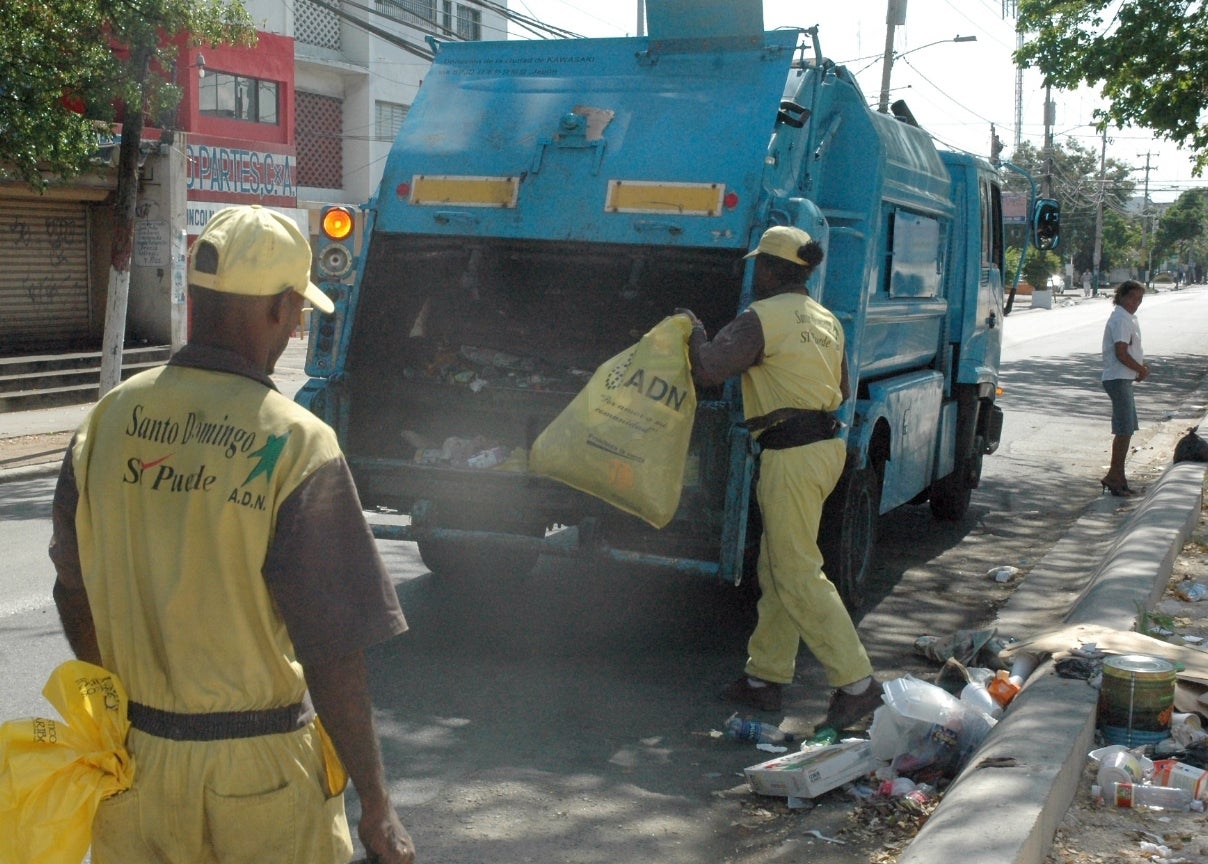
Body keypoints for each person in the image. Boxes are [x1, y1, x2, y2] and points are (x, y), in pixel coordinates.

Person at [49, 205, 416, 864]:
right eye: (298, 309)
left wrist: (116, 713)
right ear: (277, 308)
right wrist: (377, 802)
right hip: (263, 781)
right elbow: (333, 649)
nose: (299, 323)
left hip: (134, 768)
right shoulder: (297, 442)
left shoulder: (105, 423)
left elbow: (72, 591)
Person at [678, 225, 882, 732]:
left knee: (796, 573)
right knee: (778, 569)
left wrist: (692, 328)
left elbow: (709, 369)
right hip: (824, 450)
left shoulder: (759, 318)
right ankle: (764, 678)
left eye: (758, 266)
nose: (755, 274)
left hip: (789, 454)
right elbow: (841, 386)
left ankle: (858, 686)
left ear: (769, 269)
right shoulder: (827, 319)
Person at [1099, 279, 1150, 497]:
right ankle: (1114, 477)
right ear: (1121, 296)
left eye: (1139, 299)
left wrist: (1137, 370)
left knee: (1127, 429)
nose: (1135, 303)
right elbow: (1121, 352)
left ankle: (1118, 476)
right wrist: (1140, 369)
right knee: (1124, 429)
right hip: (1117, 378)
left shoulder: (1127, 317)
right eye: (1132, 297)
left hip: (1123, 378)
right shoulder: (1120, 318)